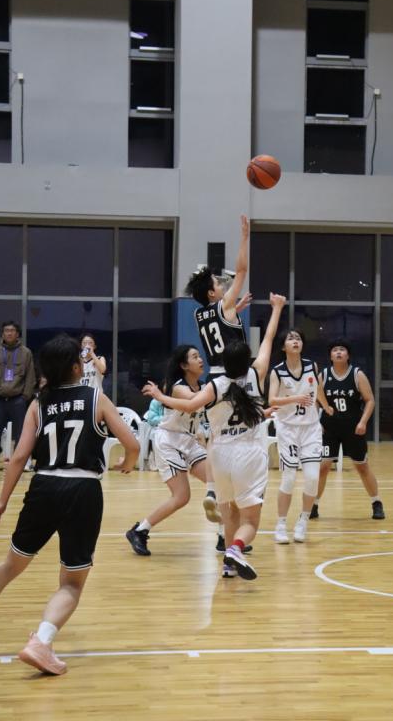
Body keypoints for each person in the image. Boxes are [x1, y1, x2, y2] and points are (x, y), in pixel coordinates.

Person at [0, 334, 139, 676]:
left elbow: (18, 458)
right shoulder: (96, 398)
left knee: (9, 566)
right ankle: (41, 642)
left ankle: (41, 644)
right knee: (71, 583)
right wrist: (128, 463)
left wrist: (1, 501)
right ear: (76, 367)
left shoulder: (38, 404)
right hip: (83, 490)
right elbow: (131, 444)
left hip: (44, 486)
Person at [143, 293, 287, 581]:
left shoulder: (215, 385)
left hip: (218, 455)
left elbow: (188, 406)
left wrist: (159, 395)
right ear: (248, 361)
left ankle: (227, 566)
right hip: (248, 453)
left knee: (228, 511)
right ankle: (235, 549)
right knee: (250, 521)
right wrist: (277, 309)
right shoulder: (257, 374)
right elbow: (269, 339)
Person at [185, 214, 251, 523]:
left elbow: (220, 325)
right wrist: (244, 237)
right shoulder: (224, 306)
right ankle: (235, 500)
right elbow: (242, 270)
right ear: (212, 294)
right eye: (217, 284)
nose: (223, 286)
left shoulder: (199, 315)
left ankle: (212, 491)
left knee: (217, 439)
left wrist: (235, 309)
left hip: (213, 378)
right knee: (242, 439)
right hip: (235, 379)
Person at [125, 344, 221, 557]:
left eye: (200, 356)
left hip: (189, 441)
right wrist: (160, 396)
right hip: (169, 441)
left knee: (218, 482)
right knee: (181, 497)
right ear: (184, 365)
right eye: (195, 357)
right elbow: (193, 402)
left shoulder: (202, 386)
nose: (200, 360)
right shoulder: (178, 387)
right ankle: (139, 530)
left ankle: (224, 536)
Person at [269, 330, 333, 544]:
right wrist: (295, 398)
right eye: (290, 338)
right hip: (288, 429)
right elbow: (272, 401)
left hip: (311, 428)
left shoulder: (312, 366)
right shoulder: (277, 372)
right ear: (283, 346)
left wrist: (326, 406)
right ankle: (280, 524)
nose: (295, 341)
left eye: (298, 338)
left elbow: (318, 389)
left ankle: (303, 521)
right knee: (288, 478)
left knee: (313, 478)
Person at [312, 339, 385, 521]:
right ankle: (313, 505)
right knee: (323, 467)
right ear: (330, 356)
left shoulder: (357, 374)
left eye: (342, 349)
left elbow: (370, 400)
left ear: (348, 355)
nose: (338, 352)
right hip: (329, 428)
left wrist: (363, 422)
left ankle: (376, 502)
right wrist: (316, 421)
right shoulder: (324, 375)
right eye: (335, 350)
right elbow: (315, 400)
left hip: (353, 428)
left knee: (362, 466)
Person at [0, 321, 36, 475]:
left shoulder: (26, 352)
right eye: (6, 330)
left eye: (12, 330)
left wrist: (25, 397)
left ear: (17, 334)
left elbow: (31, 377)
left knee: (21, 434)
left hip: (18, 400)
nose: (9, 333)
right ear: (2, 333)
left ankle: (20, 464)